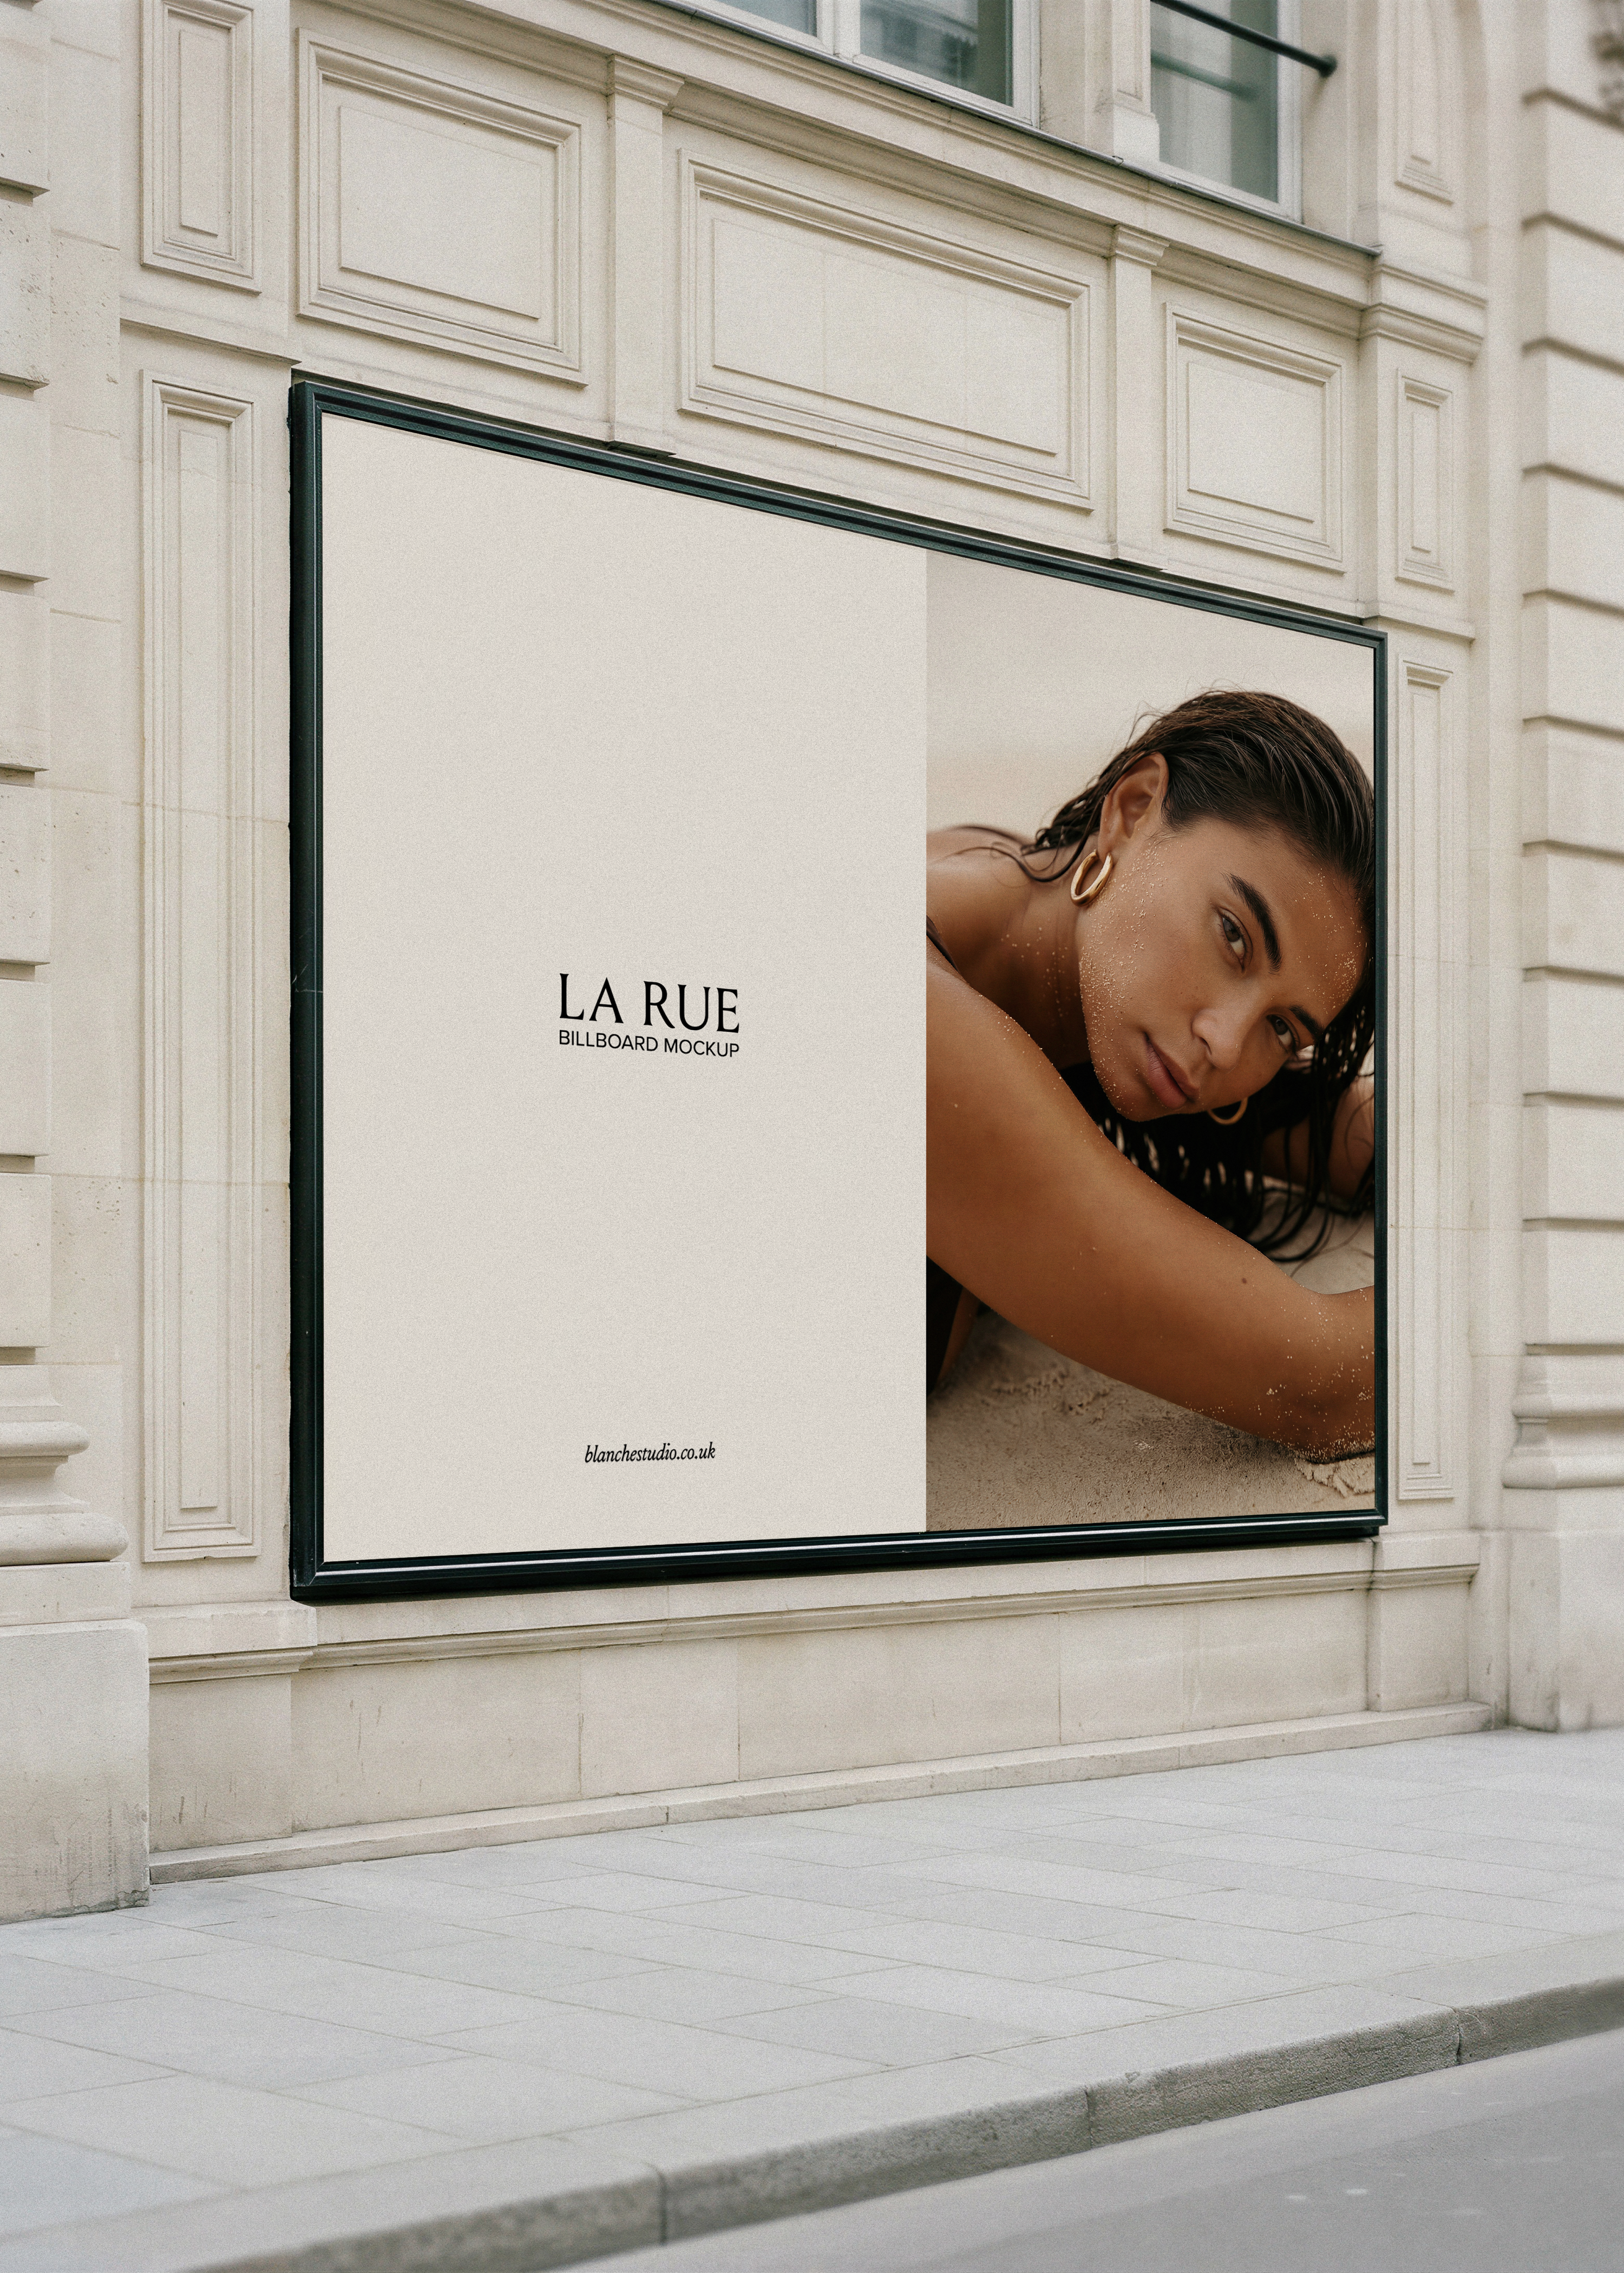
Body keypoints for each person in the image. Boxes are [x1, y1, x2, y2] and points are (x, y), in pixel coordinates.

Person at [926, 689, 1376, 1460]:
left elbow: (1350, 1135)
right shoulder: (911, 1022)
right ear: (1133, 811)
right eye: (1234, 936)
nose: (1226, 1045)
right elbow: (1323, 1389)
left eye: (1282, 1027)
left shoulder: (1039, 910)